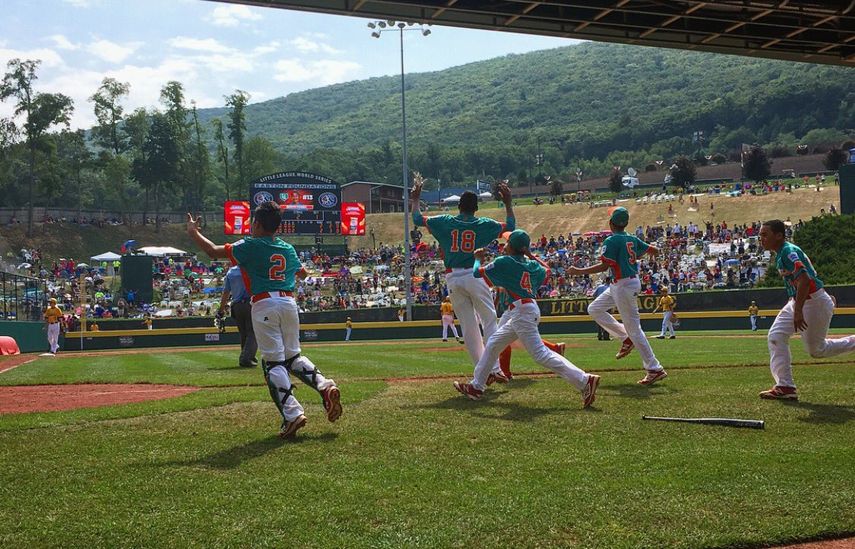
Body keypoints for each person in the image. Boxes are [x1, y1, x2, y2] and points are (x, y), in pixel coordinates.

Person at [187, 202, 342, 438]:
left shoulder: (250, 245)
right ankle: (324, 384)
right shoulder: (287, 248)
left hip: (264, 303)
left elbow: (213, 252)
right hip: (289, 303)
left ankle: (292, 414)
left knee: (273, 363)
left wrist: (193, 232)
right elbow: (303, 274)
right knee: (293, 357)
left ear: (257, 224)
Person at [452, 230, 600, 408]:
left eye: (507, 242)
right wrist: (531, 255)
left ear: (512, 246)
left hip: (522, 311)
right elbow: (547, 270)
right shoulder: (531, 265)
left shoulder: (505, 261)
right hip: (525, 310)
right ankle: (477, 387)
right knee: (493, 343)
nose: (504, 245)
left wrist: (477, 259)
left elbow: (477, 274)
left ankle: (585, 381)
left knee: (540, 355)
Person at [411, 174, 515, 382]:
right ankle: (494, 368)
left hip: (453, 278)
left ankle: (482, 371)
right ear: (476, 208)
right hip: (474, 275)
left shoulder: (445, 221)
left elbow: (416, 219)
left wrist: (415, 199)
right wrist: (508, 203)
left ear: (458, 206)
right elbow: (510, 225)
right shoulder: (483, 224)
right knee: (489, 321)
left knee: (468, 327)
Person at [569, 207, 669, 386]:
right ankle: (625, 338)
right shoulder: (632, 238)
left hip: (623, 284)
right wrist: (636, 256)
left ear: (611, 223)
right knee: (594, 308)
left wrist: (578, 271)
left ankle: (654, 368)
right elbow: (655, 250)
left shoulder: (612, 240)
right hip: (622, 283)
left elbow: (603, 266)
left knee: (635, 328)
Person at [756, 220, 855, 400]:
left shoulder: (787, 251)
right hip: (801, 300)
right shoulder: (781, 252)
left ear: (778, 235)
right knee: (776, 336)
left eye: (765, 234)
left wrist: (799, 310)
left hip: (811, 302)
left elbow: (804, 280)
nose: (760, 238)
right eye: (760, 234)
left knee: (817, 350)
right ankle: (785, 387)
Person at [495, 285, 566, 380]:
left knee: (501, 339)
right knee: (521, 337)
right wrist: (494, 305)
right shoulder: (500, 275)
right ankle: (555, 348)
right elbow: (498, 293)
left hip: (514, 308)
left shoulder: (505, 274)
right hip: (511, 309)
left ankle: (505, 372)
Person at [220, 265, 257, 368]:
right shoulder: (252, 268)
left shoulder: (231, 272)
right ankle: (246, 358)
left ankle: (248, 356)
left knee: (243, 333)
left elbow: (226, 292)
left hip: (236, 306)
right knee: (253, 333)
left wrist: (221, 310)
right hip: (250, 303)